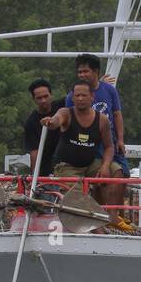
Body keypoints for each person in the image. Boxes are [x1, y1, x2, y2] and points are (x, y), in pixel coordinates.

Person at [45, 79, 122, 215]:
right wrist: (50, 122)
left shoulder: (102, 119)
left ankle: (112, 215)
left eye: (84, 95)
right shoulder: (66, 113)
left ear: (92, 97)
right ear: (72, 97)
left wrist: (105, 166)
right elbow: (56, 121)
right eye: (77, 95)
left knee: (116, 170)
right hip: (67, 166)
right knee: (76, 197)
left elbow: (109, 146)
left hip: (90, 163)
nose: (80, 99)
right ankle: (94, 224)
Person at [62, 54, 128, 210]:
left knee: (121, 174)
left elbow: (117, 114)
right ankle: (100, 215)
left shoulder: (109, 90)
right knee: (99, 179)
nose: (82, 75)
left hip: (109, 141)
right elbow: (67, 118)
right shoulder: (72, 96)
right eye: (80, 72)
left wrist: (120, 139)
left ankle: (116, 217)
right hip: (90, 143)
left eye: (86, 71)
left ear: (96, 71)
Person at [22, 78, 61, 179]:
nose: (43, 100)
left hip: (67, 163)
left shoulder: (62, 105)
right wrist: (34, 176)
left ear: (51, 94)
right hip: (46, 168)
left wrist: (98, 84)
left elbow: (80, 94)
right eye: (39, 98)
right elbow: (34, 151)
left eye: (46, 96)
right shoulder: (30, 123)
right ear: (33, 99)